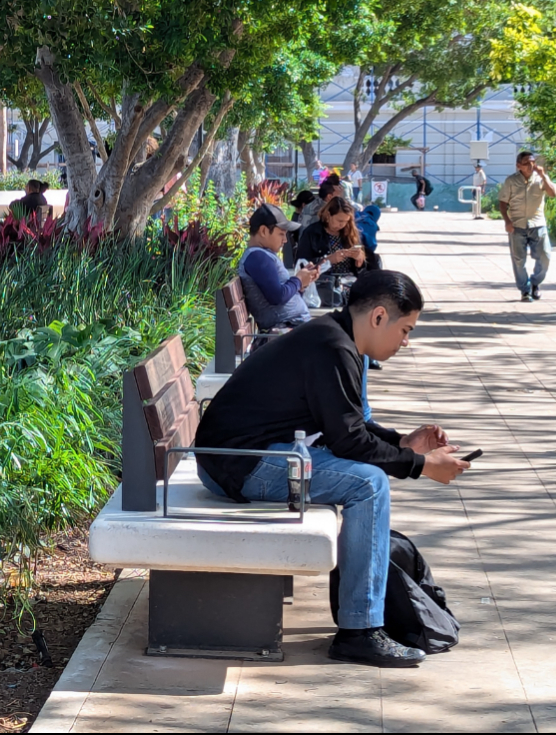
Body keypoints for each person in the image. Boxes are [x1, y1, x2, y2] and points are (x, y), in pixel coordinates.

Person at [194, 270, 470, 668]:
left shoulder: (335, 338)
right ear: (378, 317)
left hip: (241, 457)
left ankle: (363, 622)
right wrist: (422, 465)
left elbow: (347, 425)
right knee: (369, 485)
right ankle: (360, 632)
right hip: (239, 466)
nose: (406, 342)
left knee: (367, 477)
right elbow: (349, 442)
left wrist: (401, 443)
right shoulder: (333, 348)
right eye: (405, 330)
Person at [240, 204, 317, 331]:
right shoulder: (257, 257)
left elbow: (281, 295)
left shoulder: (262, 255)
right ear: (264, 231)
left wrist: (302, 284)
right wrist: (297, 280)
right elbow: (277, 296)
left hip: (292, 326)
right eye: (281, 234)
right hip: (286, 328)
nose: (285, 240)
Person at [497, 150, 556, 302]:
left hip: (538, 224)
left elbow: (553, 193)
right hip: (517, 225)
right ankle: (525, 290)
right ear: (519, 166)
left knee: (545, 256)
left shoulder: (540, 178)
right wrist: (507, 221)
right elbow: (503, 203)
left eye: (533, 162)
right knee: (518, 260)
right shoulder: (511, 181)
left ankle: (535, 283)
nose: (531, 166)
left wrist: (544, 176)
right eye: (527, 163)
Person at [297, 197, 368, 277]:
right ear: (328, 215)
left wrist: (359, 261)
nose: (342, 225)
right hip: (322, 282)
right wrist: (328, 260)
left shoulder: (350, 232)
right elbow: (301, 264)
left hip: (349, 280)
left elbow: (361, 270)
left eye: (346, 221)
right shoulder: (312, 233)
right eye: (340, 221)